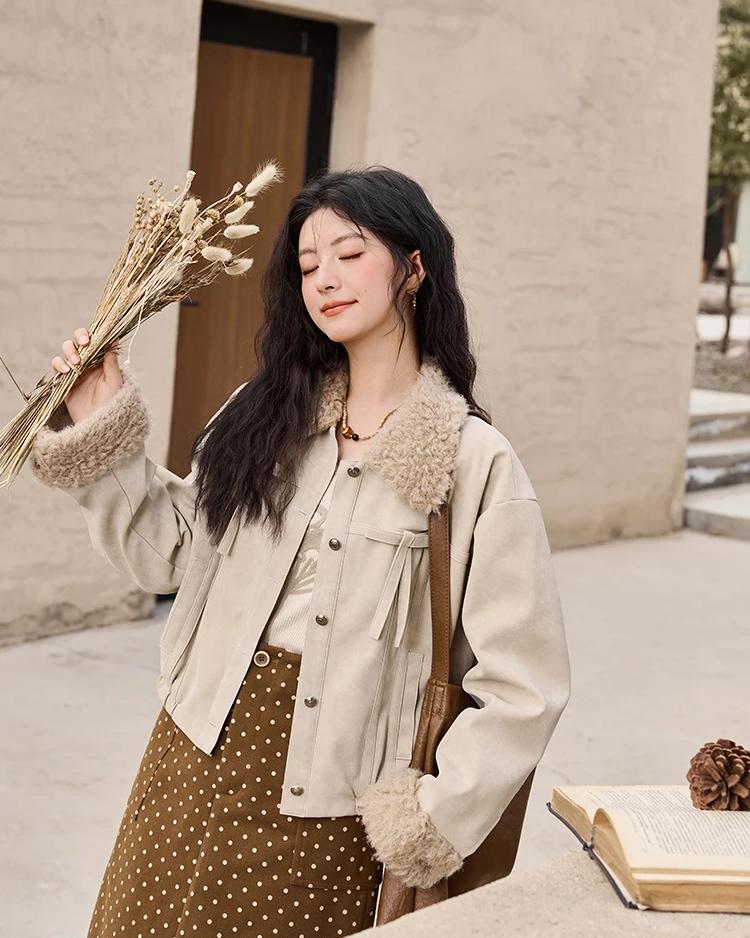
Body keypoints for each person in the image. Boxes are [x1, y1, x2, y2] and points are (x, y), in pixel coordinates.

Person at [30, 165, 572, 938]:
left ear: (413, 269)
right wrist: (101, 429)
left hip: (332, 812)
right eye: (309, 264)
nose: (326, 279)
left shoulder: (473, 462)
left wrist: (428, 823)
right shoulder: (262, 420)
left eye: (350, 254)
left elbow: (527, 685)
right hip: (189, 765)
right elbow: (172, 554)